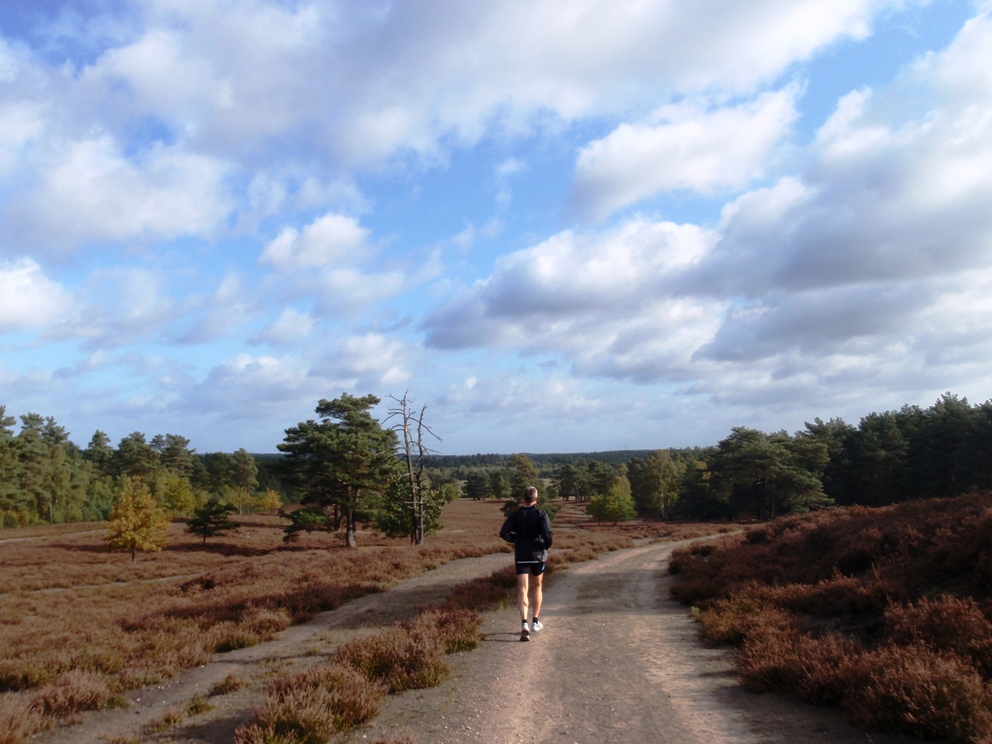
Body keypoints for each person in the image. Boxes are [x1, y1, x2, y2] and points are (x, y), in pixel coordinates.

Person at [499, 485, 553, 641]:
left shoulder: (516, 515)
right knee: (537, 586)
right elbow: (547, 533)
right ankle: (535, 621)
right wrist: (547, 545)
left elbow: (503, 533)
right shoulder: (542, 514)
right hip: (538, 555)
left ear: (524, 498)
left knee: (522, 588)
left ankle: (524, 624)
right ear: (536, 498)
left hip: (522, 554)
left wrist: (516, 540)